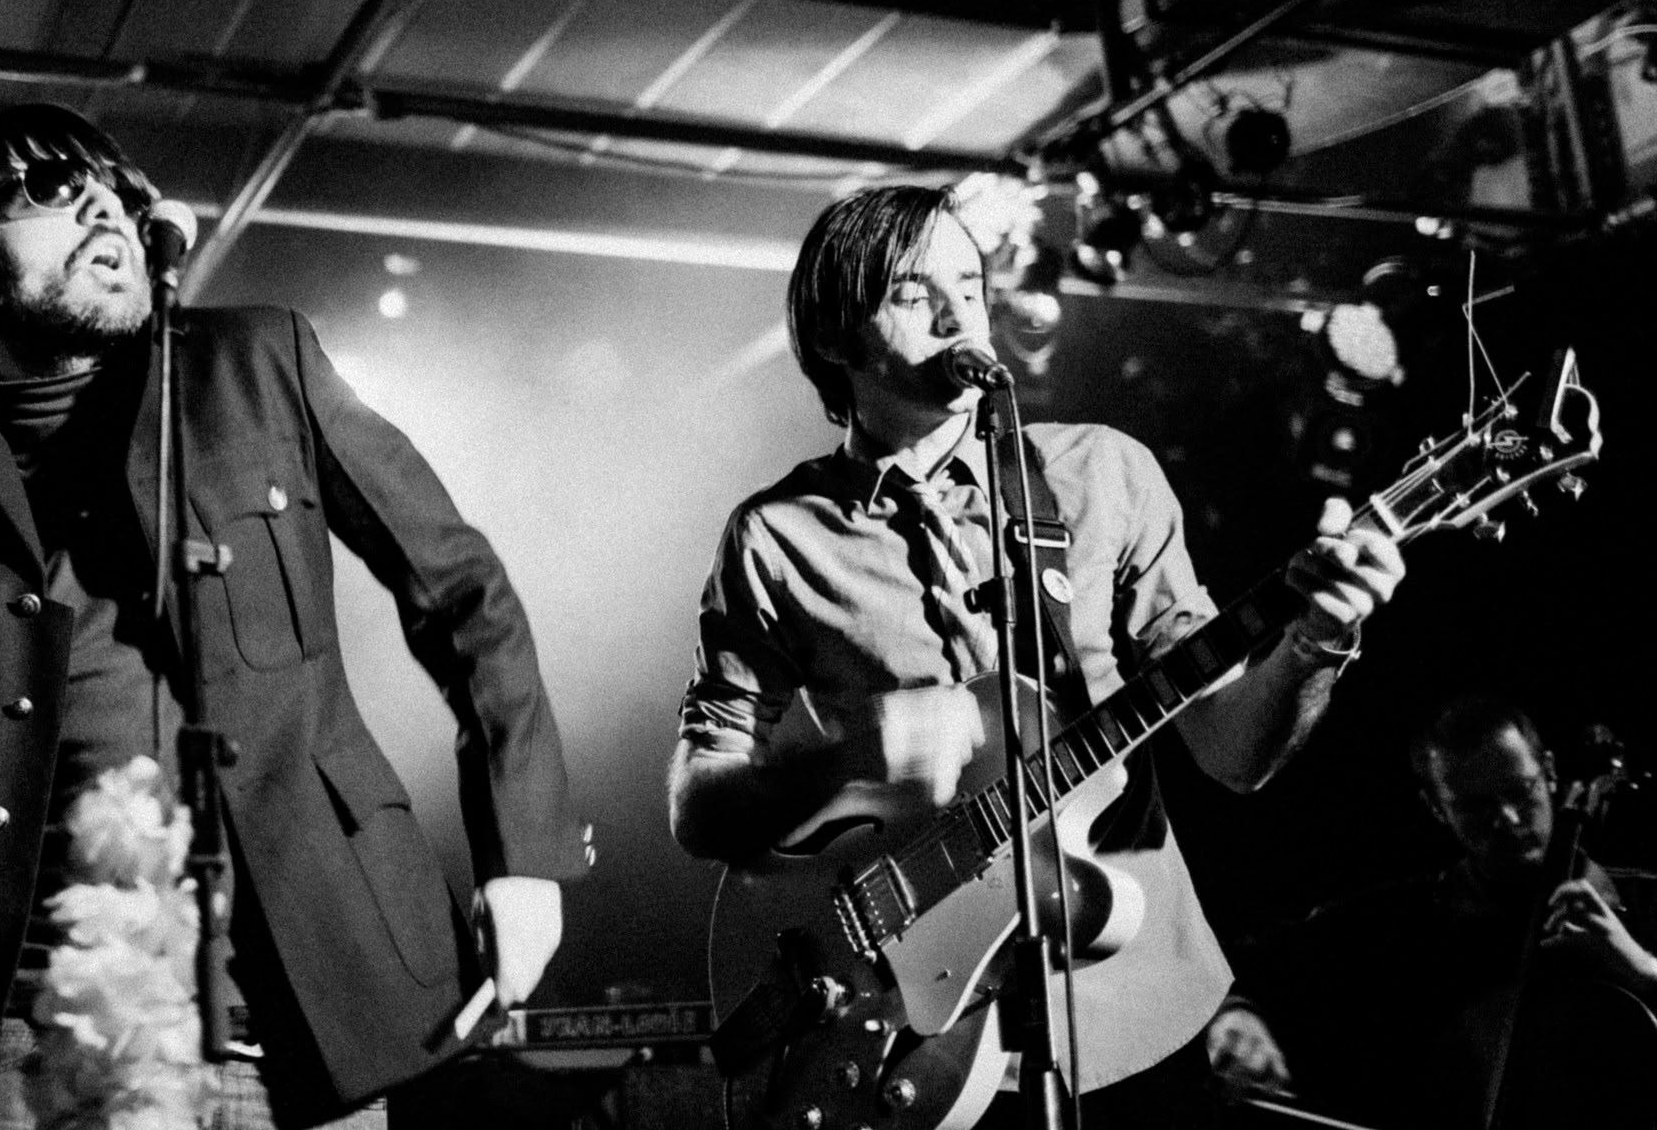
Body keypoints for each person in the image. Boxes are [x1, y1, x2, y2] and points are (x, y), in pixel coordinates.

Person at [0, 105, 588, 1130]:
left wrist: (525, 852)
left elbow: (461, 591)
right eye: (44, 187)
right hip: (28, 1032)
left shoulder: (257, 367)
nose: (101, 201)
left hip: (296, 1004)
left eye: (116, 187)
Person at [669, 184, 1404, 1128]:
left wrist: (1318, 640)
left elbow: (1233, 752)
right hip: (910, 1042)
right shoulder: (776, 539)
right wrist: (854, 757)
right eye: (910, 290)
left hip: (1134, 1012)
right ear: (837, 338)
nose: (957, 310)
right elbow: (699, 807)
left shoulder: (1102, 472)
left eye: (968, 283)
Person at [1210, 697, 1657, 1128]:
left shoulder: (1646, 902)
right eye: (1474, 807)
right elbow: (1241, 964)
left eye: (1520, 792)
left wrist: (1640, 968)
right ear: (1437, 809)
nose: (1508, 819)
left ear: (1551, 772)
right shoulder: (1403, 924)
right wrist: (1236, 1016)